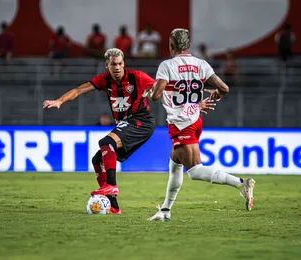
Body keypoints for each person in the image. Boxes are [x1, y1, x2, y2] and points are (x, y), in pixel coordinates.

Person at [144, 28, 256, 221]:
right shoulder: (201, 64)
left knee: (195, 171)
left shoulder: (167, 65)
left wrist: (150, 92)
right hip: (195, 120)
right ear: (188, 45)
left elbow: (155, 95)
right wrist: (215, 95)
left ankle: (241, 184)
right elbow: (224, 88)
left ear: (171, 45)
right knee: (175, 164)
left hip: (181, 124)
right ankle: (165, 211)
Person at [43, 48, 157, 214]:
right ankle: (114, 207)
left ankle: (111, 186)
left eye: (119, 64)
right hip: (126, 123)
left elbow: (164, 89)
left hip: (142, 121)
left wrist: (193, 104)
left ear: (123, 64)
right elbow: (79, 90)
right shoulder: (104, 80)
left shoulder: (137, 77)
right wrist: (60, 101)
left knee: (106, 142)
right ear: (107, 65)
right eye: (113, 64)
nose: (117, 67)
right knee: (97, 160)